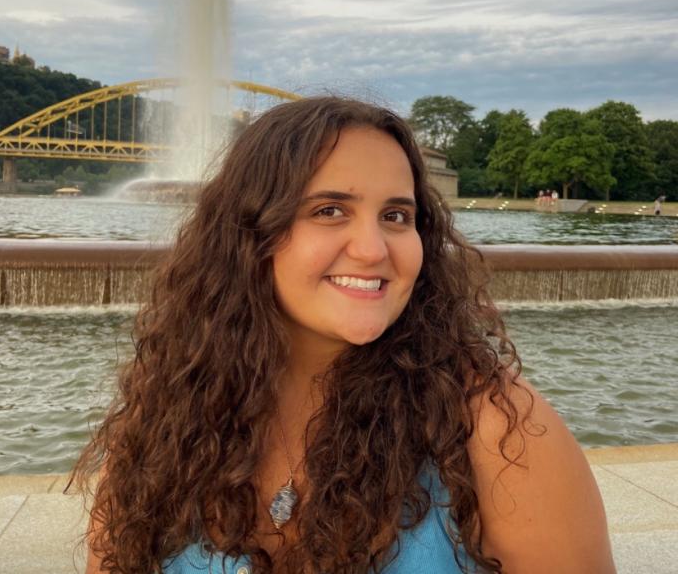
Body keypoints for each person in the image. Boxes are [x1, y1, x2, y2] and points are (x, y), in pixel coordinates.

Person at [72, 97, 615, 574]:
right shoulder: (166, 413)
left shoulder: (494, 430)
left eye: (397, 215)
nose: (374, 249)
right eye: (330, 210)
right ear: (249, 233)